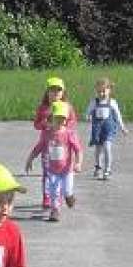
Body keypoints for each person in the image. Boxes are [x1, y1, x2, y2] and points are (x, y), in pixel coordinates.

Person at [25, 101, 83, 222]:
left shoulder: (69, 134)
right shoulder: (47, 134)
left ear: (66, 120)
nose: (60, 121)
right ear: (51, 118)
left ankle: (69, 196)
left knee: (66, 190)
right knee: (53, 191)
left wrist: (78, 163)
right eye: (57, 118)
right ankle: (55, 210)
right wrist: (30, 159)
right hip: (52, 169)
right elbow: (39, 147)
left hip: (67, 170)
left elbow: (78, 149)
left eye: (63, 119)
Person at [33, 77, 77, 208]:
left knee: (63, 169)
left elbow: (73, 121)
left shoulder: (67, 107)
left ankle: (63, 194)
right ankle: (47, 196)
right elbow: (36, 124)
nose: (55, 94)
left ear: (63, 93)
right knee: (48, 171)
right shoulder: (43, 108)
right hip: (48, 144)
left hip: (63, 144)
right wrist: (45, 124)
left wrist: (64, 129)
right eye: (52, 91)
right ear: (47, 92)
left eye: (58, 91)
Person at [84, 77, 128, 178]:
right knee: (98, 149)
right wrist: (88, 116)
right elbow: (88, 112)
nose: (101, 94)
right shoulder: (94, 102)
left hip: (108, 128)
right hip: (97, 129)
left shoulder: (112, 102)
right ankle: (98, 167)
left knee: (107, 147)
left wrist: (123, 128)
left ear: (109, 90)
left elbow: (118, 116)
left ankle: (107, 170)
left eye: (104, 91)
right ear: (96, 91)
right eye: (99, 91)